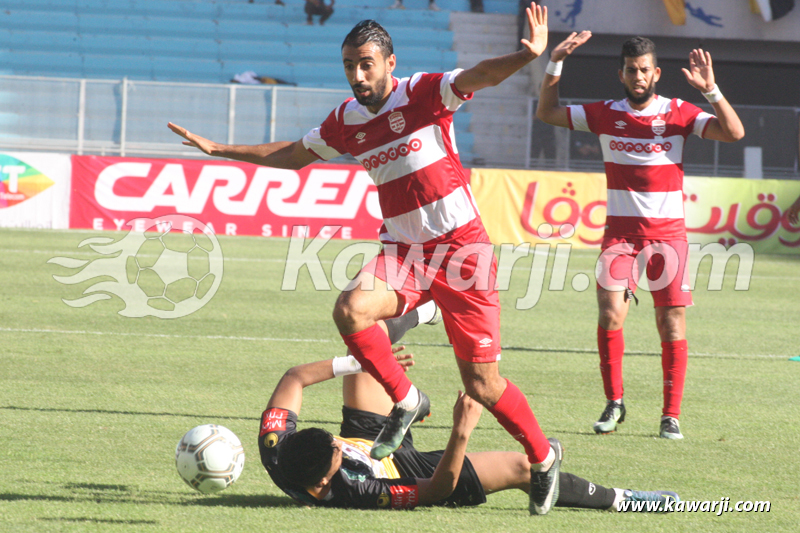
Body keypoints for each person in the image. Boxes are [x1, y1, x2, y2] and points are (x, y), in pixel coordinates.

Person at [170, 5, 562, 515]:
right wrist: (221, 149)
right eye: (350, 66)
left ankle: (543, 457)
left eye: (367, 64)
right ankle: (406, 399)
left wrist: (527, 54)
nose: (358, 76)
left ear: (389, 63)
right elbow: (292, 154)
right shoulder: (346, 120)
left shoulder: (421, 92)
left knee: (483, 386)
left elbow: (479, 76)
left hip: (462, 251)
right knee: (350, 310)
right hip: (403, 253)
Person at [259, 302, 680, 511]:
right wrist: (460, 432)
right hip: (409, 470)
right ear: (319, 488)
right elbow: (437, 490)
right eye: (337, 456)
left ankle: (427, 307)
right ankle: (629, 499)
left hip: (368, 438)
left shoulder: (278, 447)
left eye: (333, 444)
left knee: (366, 340)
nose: (338, 449)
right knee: (522, 468)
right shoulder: (359, 491)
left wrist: (360, 363)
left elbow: (294, 377)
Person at [536, 34, 745, 439]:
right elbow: (547, 112)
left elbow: (734, 133)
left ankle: (671, 415)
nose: (638, 76)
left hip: (669, 238)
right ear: (621, 73)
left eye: (644, 69)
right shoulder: (604, 113)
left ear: (656, 73)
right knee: (611, 313)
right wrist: (555, 63)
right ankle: (614, 402)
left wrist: (711, 91)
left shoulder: (678, 112)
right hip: (621, 237)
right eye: (631, 70)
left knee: (671, 323)